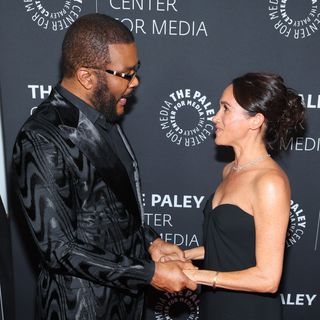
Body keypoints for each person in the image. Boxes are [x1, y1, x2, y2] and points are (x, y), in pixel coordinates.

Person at [12, 13, 196, 320]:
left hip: (125, 305)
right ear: (87, 77)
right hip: (81, 308)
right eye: (125, 74)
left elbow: (107, 214)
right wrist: (147, 274)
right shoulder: (40, 138)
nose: (135, 82)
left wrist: (150, 242)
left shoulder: (105, 117)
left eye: (136, 71)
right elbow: (60, 249)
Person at [182, 72, 305, 319]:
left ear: (255, 120)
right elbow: (235, 248)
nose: (215, 117)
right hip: (215, 305)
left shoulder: (269, 183)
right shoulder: (229, 169)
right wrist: (185, 255)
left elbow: (267, 278)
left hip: (247, 310)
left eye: (225, 109)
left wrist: (196, 275)